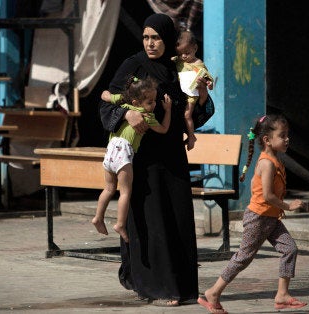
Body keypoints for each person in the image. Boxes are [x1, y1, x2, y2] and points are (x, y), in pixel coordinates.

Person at [99, 13, 213, 306]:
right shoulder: (134, 64)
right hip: (143, 159)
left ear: (168, 40)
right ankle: (155, 287)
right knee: (150, 221)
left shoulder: (179, 68)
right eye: (147, 37)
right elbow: (106, 103)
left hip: (172, 156)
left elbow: (197, 112)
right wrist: (127, 113)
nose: (150, 43)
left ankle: (181, 287)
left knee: (177, 219)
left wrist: (200, 97)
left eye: (157, 38)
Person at [197, 114, 308, 313]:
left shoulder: (276, 160)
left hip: (271, 218)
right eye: (282, 136)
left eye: (287, 135)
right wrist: (288, 206)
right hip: (258, 218)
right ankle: (213, 293)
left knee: (289, 249)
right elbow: (267, 196)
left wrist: (279, 210)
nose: (287, 139)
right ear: (267, 140)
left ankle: (282, 295)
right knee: (243, 257)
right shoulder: (267, 163)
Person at [92, 76, 172, 243]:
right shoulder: (146, 116)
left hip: (111, 150)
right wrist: (168, 109)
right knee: (126, 191)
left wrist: (112, 96)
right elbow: (164, 129)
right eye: (150, 102)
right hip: (124, 152)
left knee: (108, 188)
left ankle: (98, 217)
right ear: (136, 102)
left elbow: (104, 95)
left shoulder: (123, 106)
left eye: (155, 100)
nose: (154, 105)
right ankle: (120, 224)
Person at [173, 29, 212, 150]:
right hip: (181, 92)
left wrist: (209, 84)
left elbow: (207, 77)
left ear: (195, 48)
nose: (184, 56)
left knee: (187, 115)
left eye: (187, 53)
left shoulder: (198, 63)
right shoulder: (178, 60)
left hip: (192, 94)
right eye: (181, 53)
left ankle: (191, 136)